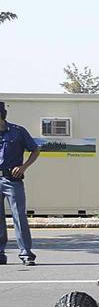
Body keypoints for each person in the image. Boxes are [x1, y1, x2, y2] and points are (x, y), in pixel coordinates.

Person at [0, 101, 41, 265]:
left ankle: (26, 253)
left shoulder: (18, 131)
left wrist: (23, 167)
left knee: (19, 216)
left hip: (12, 180)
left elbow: (35, 150)